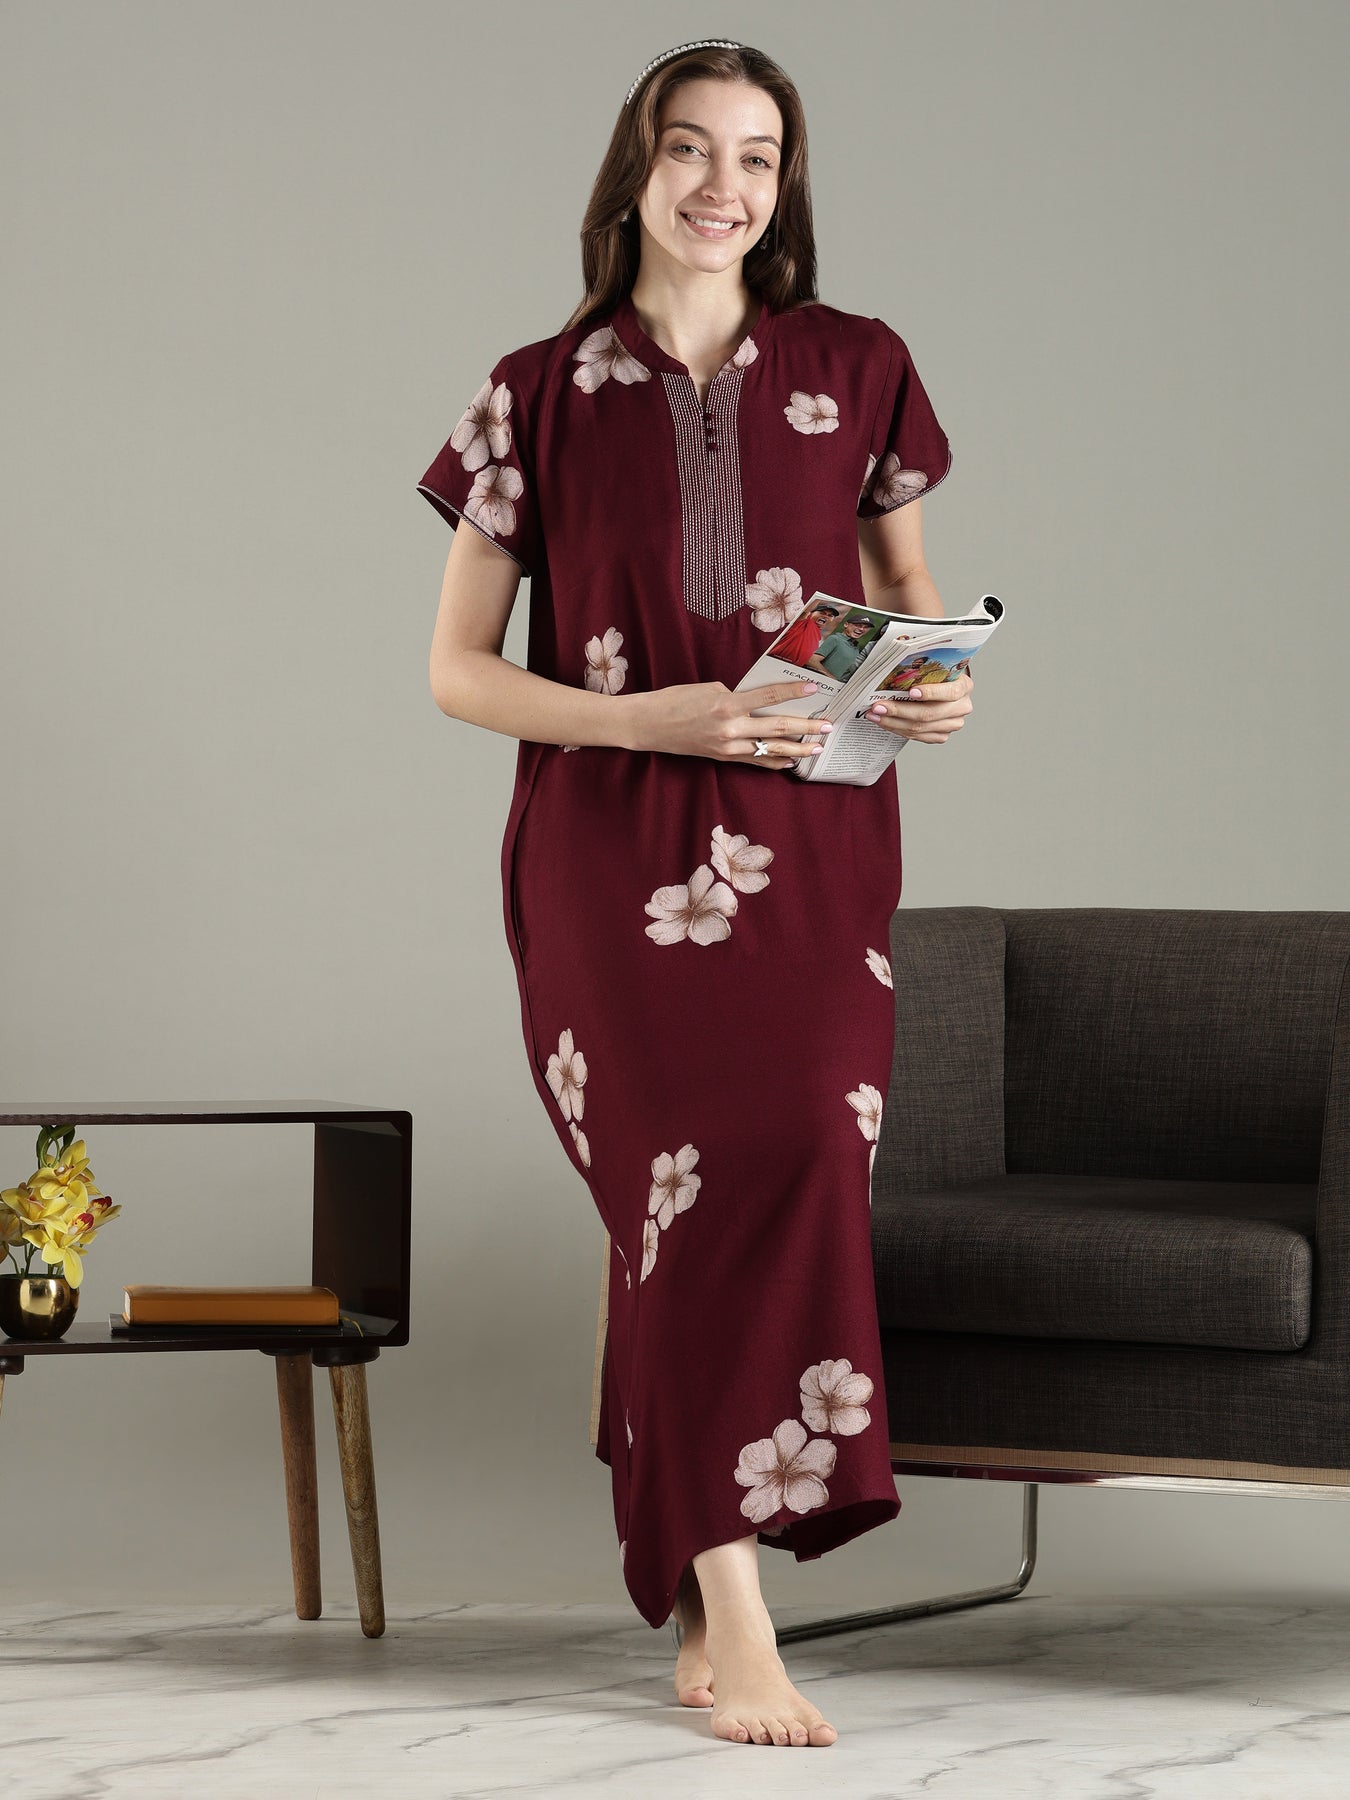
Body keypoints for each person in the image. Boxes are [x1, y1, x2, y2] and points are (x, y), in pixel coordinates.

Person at [419, 38, 975, 1750]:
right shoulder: (533, 391)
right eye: (687, 148)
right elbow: (455, 671)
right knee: (667, 1200)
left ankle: (685, 1568)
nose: (721, 184)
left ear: (782, 187)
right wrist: (642, 718)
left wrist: (931, 686)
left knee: (798, 1155)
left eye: (755, 155)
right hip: (607, 852)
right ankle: (734, 1619)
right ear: (634, 170)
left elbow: (905, 587)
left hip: (814, 845)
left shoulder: (860, 363)